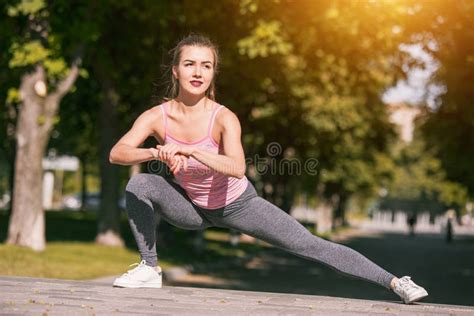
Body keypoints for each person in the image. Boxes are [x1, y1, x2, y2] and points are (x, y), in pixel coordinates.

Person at [108, 34, 428, 304]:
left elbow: (236, 168)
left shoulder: (223, 117)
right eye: (189, 63)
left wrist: (191, 150)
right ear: (175, 70)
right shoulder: (156, 116)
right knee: (142, 184)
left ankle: (394, 283)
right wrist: (157, 153)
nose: (198, 71)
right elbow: (117, 153)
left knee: (308, 243)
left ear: (213, 73)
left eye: (206, 65)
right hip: (191, 208)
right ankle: (149, 268)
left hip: (238, 205)